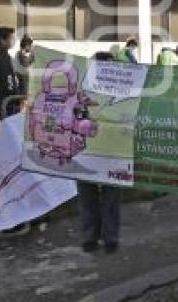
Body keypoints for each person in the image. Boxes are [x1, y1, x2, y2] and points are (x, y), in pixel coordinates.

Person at [78, 50, 122, 253]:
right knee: (87, 194)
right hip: (87, 149)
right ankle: (91, 236)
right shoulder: (83, 88)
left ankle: (110, 237)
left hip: (112, 149)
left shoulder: (122, 89)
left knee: (111, 196)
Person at [13, 35, 35, 99]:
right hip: (21, 77)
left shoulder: (21, 53)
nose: (31, 47)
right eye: (30, 45)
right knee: (23, 97)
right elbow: (25, 63)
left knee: (23, 96)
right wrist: (31, 56)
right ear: (27, 45)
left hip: (22, 77)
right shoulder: (21, 53)